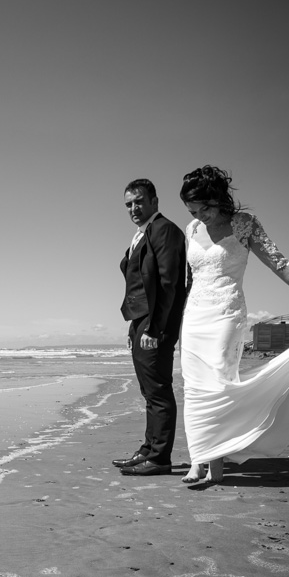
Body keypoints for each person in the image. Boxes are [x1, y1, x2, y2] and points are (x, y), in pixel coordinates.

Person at [179, 165, 289, 484]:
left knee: (217, 385)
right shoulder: (191, 229)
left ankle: (215, 466)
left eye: (205, 207)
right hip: (194, 317)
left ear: (219, 199)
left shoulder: (245, 225)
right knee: (193, 388)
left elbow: (280, 264)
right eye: (193, 209)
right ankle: (198, 459)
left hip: (227, 315)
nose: (200, 215)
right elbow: (191, 279)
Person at [115, 178, 188, 475]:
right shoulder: (142, 233)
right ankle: (149, 448)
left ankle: (159, 458)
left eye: (139, 202)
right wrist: (135, 326)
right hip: (141, 320)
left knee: (157, 390)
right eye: (129, 204)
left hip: (155, 323)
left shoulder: (165, 230)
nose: (134, 208)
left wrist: (153, 329)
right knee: (149, 391)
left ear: (155, 202)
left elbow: (170, 284)